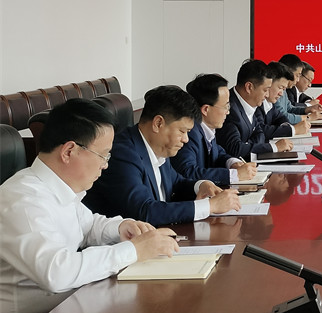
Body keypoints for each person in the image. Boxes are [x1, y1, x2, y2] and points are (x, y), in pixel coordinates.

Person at [0, 99, 179, 313]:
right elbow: (56, 272)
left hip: (67, 311)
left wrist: (122, 227)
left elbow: (88, 226)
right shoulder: (21, 200)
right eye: (103, 155)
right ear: (69, 151)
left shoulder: (57, 187)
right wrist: (133, 250)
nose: (105, 165)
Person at [83, 86, 241, 226]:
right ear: (158, 123)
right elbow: (144, 211)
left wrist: (201, 185)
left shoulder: (157, 147)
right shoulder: (123, 153)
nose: (186, 139)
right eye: (182, 131)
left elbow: (176, 182)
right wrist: (210, 206)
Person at [172, 73, 258, 187]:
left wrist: (233, 163)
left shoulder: (207, 128)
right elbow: (188, 172)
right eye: (225, 106)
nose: (228, 112)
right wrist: (233, 175)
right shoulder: (190, 133)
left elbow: (217, 153)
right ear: (206, 109)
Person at [215, 59, 297, 159]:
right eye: (265, 90)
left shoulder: (249, 102)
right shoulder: (229, 109)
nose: (267, 95)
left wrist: (249, 145)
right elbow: (236, 149)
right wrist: (274, 147)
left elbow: (260, 133)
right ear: (249, 87)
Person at [275, 54, 322, 122]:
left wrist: (308, 109)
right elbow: (283, 117)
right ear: (289, 72)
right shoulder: (275, 90)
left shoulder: (284, 90)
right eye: (297, 75)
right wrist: (308, 117)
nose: (298, 80)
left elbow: (290, 109)